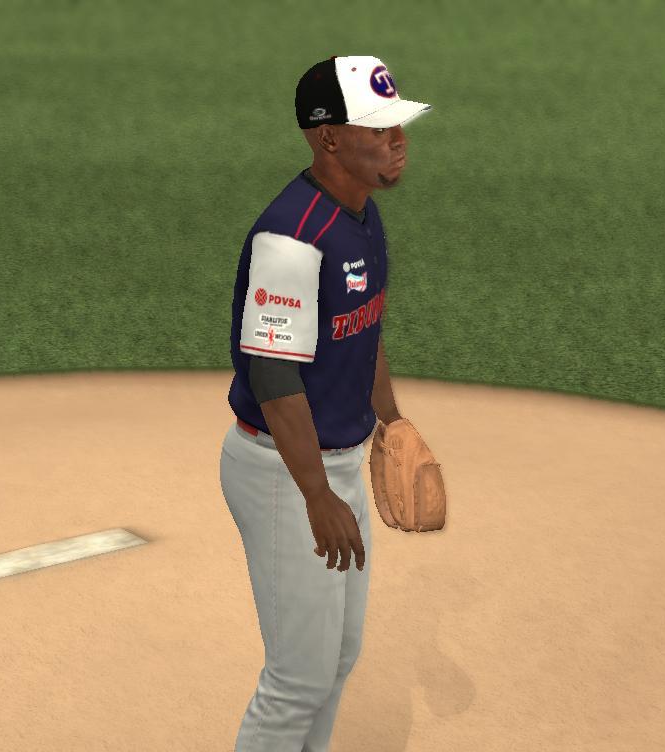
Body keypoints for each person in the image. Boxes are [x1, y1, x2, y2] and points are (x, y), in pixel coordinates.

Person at [219, 54, 432, 751]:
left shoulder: (363, 219)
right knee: (297, 680)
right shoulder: (291, 238)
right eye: (378, 127)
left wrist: (392, 421)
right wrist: (316, 494)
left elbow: (365, 332)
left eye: (397, 124)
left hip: (332, 466)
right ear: (328, 137)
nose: (396, 140)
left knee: (337, 659)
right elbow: (273, 377)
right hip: (283, 470)